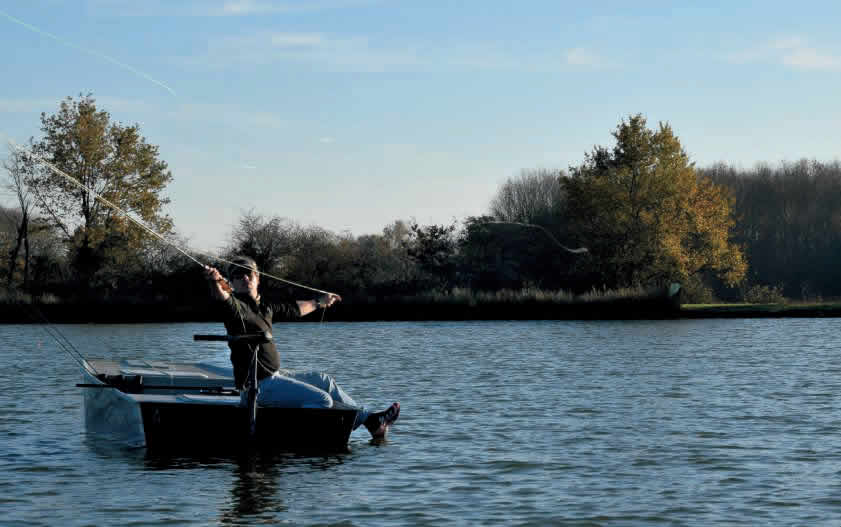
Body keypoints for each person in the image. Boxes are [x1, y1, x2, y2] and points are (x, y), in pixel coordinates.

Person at [203, 256, 399, 439]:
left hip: (274, 377)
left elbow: (295, 309)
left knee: (324, 381)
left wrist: (319, 302)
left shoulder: (265, 307)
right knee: (323, 400)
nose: (244, 277)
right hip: (257, 386)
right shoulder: (235, 308)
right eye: (237, 275)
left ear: (258, 277)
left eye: (248, 273)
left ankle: (372, 423)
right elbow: (223, 298)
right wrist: (214, 281)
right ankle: (306, 437)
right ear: (231, 283)